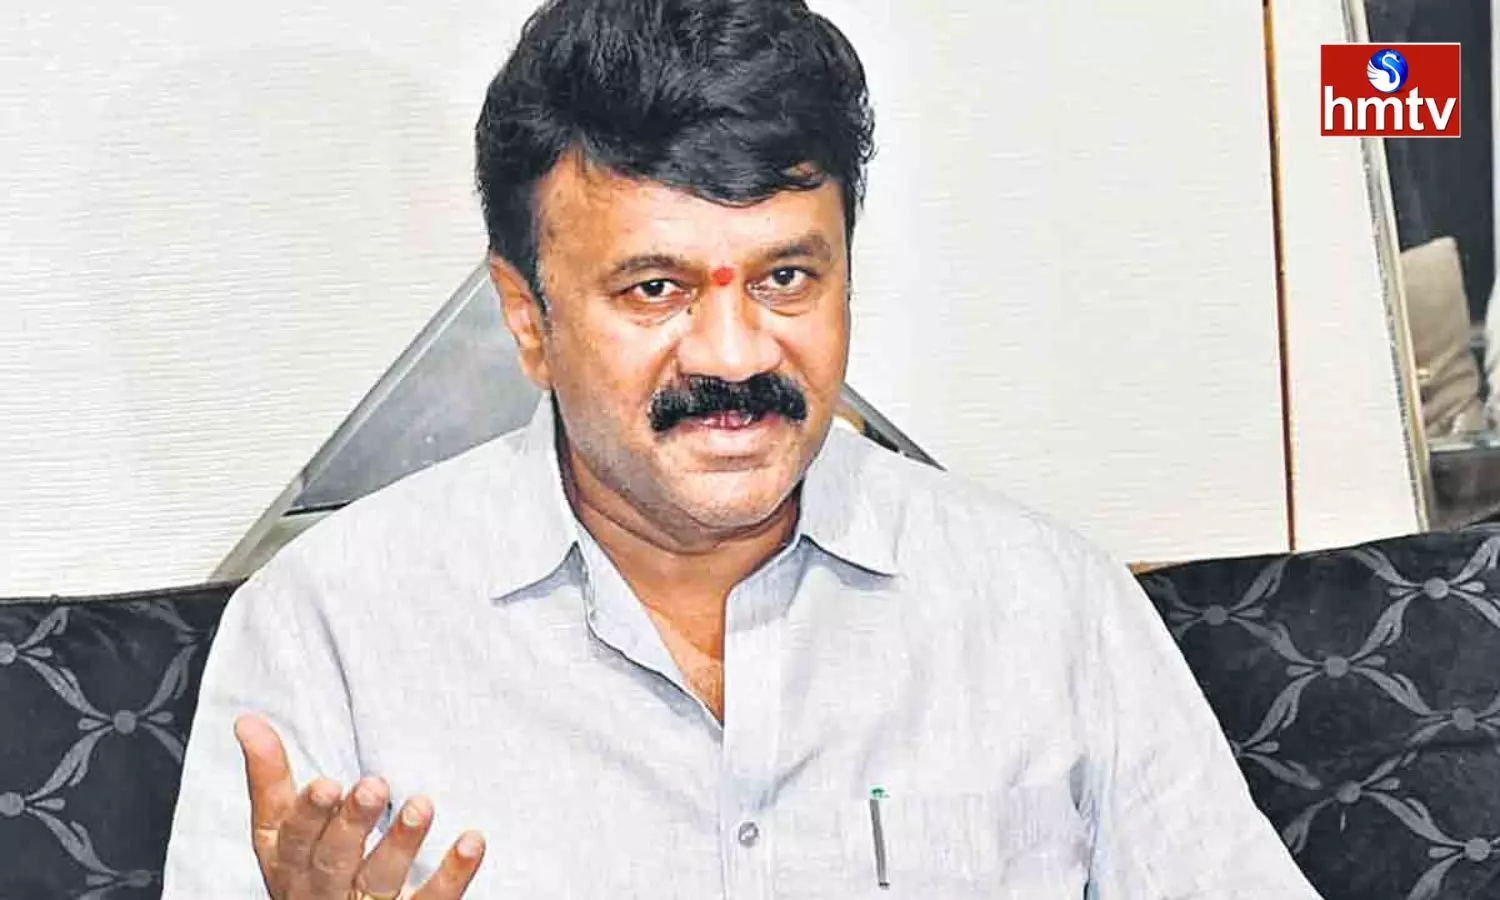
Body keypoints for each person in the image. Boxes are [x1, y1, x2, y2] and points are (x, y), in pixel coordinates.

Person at [162, 0, 1324, 897]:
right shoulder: (331, 628)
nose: (732, 354)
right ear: (529, 320)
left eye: (786, 278)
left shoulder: (1047, 608)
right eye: (655, 288)